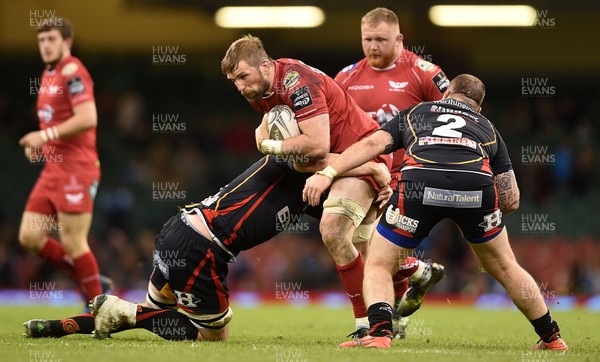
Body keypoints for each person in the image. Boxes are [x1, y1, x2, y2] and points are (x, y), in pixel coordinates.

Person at [303, 74, 569, 350]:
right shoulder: (488, 127)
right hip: (475, 186)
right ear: (478, 108)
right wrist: (482, 213)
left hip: (422, 182)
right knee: (505, 265)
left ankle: (380, 334)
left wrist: (330, 171)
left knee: (380, 263)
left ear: (446, 94)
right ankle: (552, 337)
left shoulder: (419, 111)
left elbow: (373, 145)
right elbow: (511, 199)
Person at [23, 154, 391, 340]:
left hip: (179, 230)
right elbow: (318, 157)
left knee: (158, 312)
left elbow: (345, 223)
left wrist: (371, 199)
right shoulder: (288, 165)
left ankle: (56, 327)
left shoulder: (309, 197)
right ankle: (124, 310)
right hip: (202, 248)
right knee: (210, 336)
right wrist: (374, 169)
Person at [221, 34, 420, 338]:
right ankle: (416, 271)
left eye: (243, 76)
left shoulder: (297, 83)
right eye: (233, 80)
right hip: (339, 163)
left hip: (360, 153)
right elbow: (284, 142)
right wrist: (276, 147)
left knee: (334, 230)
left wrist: (271, 146)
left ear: (264, 65)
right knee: (367, 248)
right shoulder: (260, 90)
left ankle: (366, 326)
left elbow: (314, 145)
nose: (239, 86)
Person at [334, 7, 451, 338]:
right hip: (366, 173)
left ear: (399, 39)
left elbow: (450, 122)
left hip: (409, 177)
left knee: (379, 251)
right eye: (367, 39)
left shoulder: (424, 73)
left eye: (381, 40)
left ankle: (390, 317)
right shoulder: (345, 78)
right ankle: (416, 277)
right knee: (363, 245)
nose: (373, 47)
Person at [18, 17, 110, 309]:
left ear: (66, 42)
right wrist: (42, 145)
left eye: (51, 40)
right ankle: (93, 280)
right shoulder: (49, 74)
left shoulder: (72, 71)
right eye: (41, 40)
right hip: (53, 170)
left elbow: (88, 118)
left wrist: (44, 134)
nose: (45, 45)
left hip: (77, 169)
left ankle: (98, 306)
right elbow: (57, 122)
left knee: (73, 241)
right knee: (30, 236)